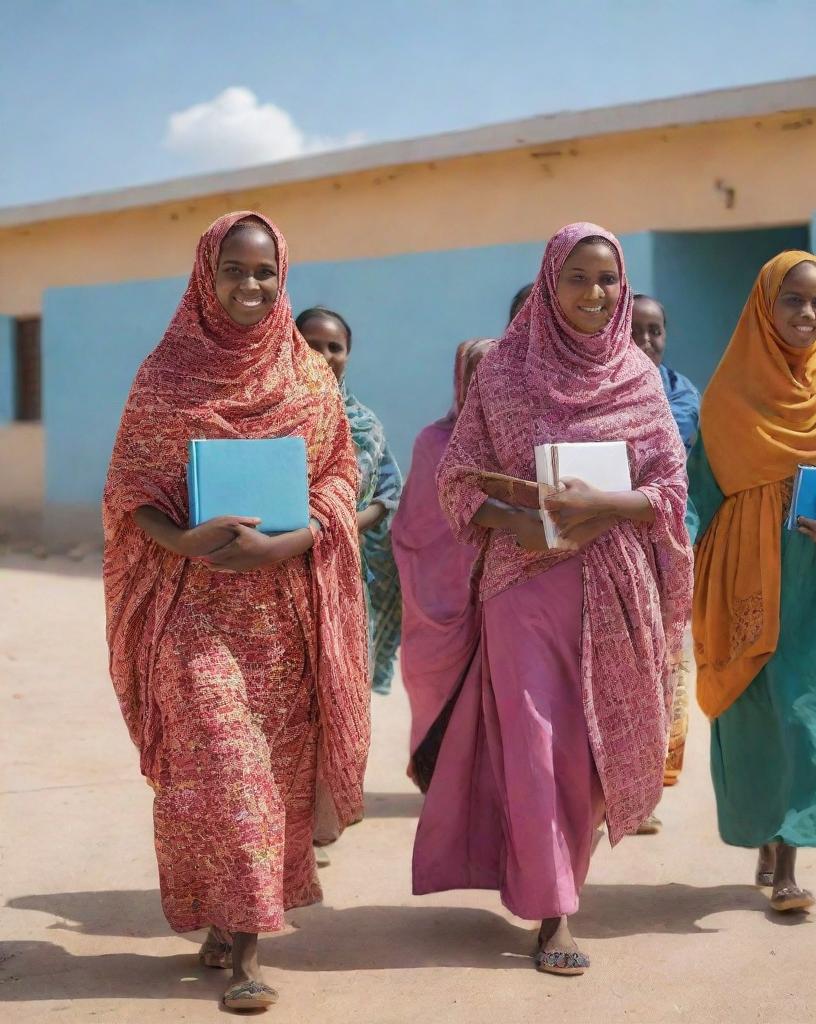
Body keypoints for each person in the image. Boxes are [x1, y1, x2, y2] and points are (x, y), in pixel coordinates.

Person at [103, 212, 368, 1012]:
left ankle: (239, 930)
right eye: (235, 270)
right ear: (204, 276)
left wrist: (288, 545)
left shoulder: (308, 377)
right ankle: (247, 949)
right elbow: (127, 498)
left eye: (265, 273)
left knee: (271, 780)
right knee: (222, 766)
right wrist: (185, 540)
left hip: (285, 619)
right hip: (193, 611)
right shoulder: (165, 379)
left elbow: (341, 480)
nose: (250, 287)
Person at [412, 223, 692, 976]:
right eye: (578, 277)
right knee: (537, 748)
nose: (594, 294)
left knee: (586, 760)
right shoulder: (505, 371)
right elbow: (459, 481)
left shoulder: (637, 376)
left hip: (615, 589)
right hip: (523, 586)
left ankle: (556, 881)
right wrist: (521, 525)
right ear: (548, 281)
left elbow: (669, 487)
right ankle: (554, 912)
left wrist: (608, 507)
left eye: (607, 280)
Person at [685, 250, 816, 913]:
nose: (807, 313)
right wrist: (669, 561)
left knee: (814, 715)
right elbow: (698, 494)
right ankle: (769, 843)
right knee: (756, 716)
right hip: (742, 578)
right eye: (793, 300)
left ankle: (791, 860)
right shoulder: (728, 393)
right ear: (764, 306)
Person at [297, 306, 402, 866]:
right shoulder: (270, 414)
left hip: (344, 580)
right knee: (291, 701)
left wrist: (331, 523)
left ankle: (322, 816)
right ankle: (285, 829)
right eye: (311, 344)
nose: (324, 356)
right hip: (278, 580)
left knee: (338, 699)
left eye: (334, 347)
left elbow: (389, 493)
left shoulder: (366, 423)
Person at [391, 338, 494, 791]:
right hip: (440, 601)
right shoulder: (434, 441)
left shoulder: (520, 442)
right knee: (436, 689)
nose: (486, 388)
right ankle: (440, 786)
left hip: (504, 593)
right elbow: (413, 529)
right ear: (460, 379)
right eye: (476, 377)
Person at [630, 293, 701, 835]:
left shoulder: (682, 395)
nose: (647, 342)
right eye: (636, 331)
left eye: (656, 331)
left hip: (671, 546)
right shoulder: (597, 390)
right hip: (613, 548)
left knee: (665, 671)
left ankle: (648, 789)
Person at [632, 294, 701, 451]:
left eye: (655, 331)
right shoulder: (597, 385)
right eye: (632, 331)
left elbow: (666, 443)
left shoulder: (681, 391)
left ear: (665, 335)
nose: (645, 339)